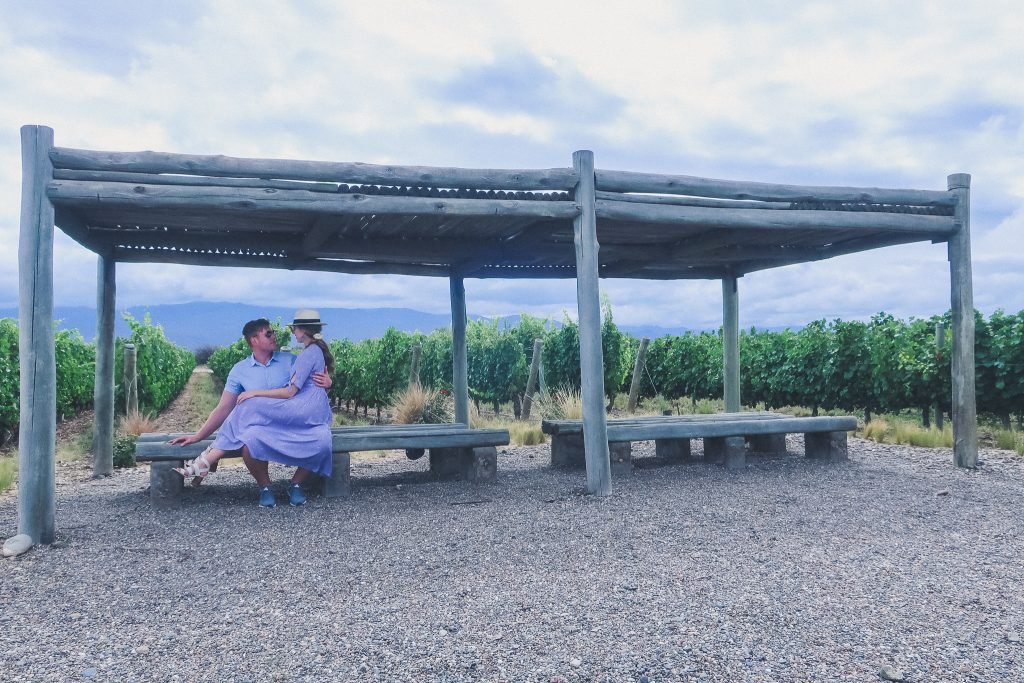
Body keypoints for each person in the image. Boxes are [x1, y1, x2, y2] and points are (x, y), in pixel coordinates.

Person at [168, 316, 332, 498]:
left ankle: (208, 460)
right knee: (249, 439)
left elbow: (311, 382)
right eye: (269, 334)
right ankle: (265, 487)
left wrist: (328, 382)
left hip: (288, 424)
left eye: (274, 332)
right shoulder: (239, 370)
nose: (274, 336)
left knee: (250, 403)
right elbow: (223, 409)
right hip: (259, 427)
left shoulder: (290, 360)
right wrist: (197, 436)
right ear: (254, 340)